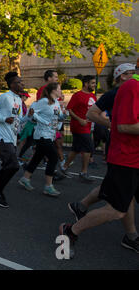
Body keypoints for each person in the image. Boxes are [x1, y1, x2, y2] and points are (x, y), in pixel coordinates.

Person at [59, 70, 139, 258]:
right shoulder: (132, 87)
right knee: (117, 209)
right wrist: (110, 124)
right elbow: (124, 125)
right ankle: (70, 231)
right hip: (126, 158)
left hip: (131, 158)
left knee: (126, 199)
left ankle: (131, 236)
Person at [0, 72, 33, 208]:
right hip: (2, 137)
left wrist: (28, 117)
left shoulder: (18, 99)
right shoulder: (5, 97)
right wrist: (3, 119)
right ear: (12, 84)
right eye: (19, 82)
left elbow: (18, 121)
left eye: (21, 81)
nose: (22, 84)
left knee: (8, 166)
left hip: (12, 137)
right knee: (14, 166)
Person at [18, 83, 68, 197]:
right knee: (53, 157)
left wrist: (65, 114)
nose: (61, 91)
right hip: (42, 135)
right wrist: (43, 121)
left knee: (37, 157)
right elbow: (31, 115)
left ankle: (25, 178)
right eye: (59, 89)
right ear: (53, 90)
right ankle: (48, 186)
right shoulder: (43, 101)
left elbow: (59, 117)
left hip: (50, 135)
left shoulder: (55, 102)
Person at [60, 75, 97, 183]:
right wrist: (80, 119)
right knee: (88, 147)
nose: (94, 85)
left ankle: (64, 168)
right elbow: (69, 109)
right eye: (93, 83)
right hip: (78, 126)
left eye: (95, 83)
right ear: (86, 84)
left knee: (76, 149)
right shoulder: (77, 95)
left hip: (88, 126)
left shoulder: (93, 96)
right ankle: (83, 173)